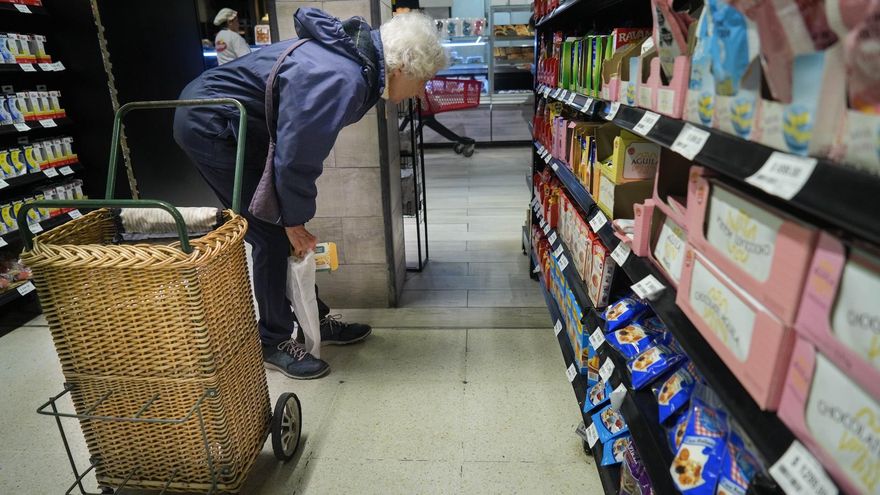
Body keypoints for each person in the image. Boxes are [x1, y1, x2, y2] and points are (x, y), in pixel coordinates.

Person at [173, 8, 447, 379]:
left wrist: (294, 218)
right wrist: (292, 219)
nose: (422, 92)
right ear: (403, 67)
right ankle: (272, 340)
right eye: (425, 80)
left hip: (238, 121)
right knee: (270, 232)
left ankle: (312, 319)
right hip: (210, 121)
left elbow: (295, 148)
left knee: (286, 229)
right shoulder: (341, 77)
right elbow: (296, 155)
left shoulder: (356, 63)